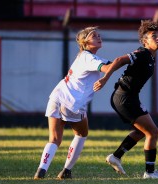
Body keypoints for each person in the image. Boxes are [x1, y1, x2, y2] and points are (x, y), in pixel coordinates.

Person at [34, 26, 113, 180]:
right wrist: (130, 59)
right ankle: (66, 171)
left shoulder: (85, 57)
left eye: (99, 35)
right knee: (82, 133)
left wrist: (126, 60)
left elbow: (111, 64)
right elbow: (108, 68)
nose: (99, 37)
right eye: (94, 36)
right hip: (72, 102)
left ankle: (41, 170)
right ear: (85, 42)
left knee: (54, 139)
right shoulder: (89, 58)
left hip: (56, 96)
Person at [93, 20, 158, 179]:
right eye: (153, 36)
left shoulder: (150, 57)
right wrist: (105, 78)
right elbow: (119, 60)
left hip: (128, 97)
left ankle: (116, 156)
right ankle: (149, 172)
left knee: (143, 132)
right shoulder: (142, 54)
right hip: (125, 97)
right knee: (153, 132)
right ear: (145, 41)